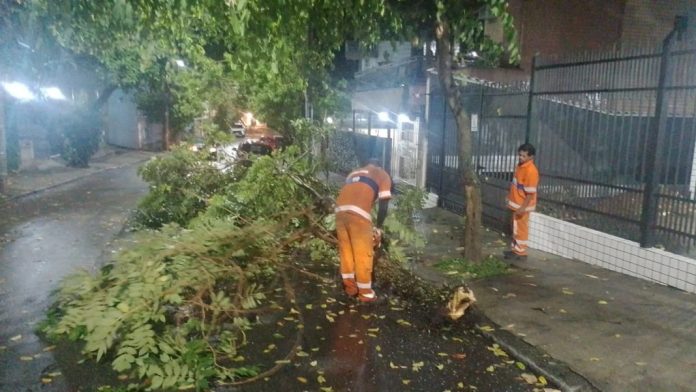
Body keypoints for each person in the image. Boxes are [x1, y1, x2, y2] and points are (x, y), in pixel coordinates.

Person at [335, 158, 392, 302]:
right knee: (363, 255)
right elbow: (384, 204)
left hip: (340, 212)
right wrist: (378, 227)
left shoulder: (353, 173)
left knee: (346, 252)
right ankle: (366, 294)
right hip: (358, 216)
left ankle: (350, 288)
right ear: (380, 165)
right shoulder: (383, 174)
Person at [504, 143, 539, 260]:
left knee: (521, 228)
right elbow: (515, 185)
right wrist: (509, 197)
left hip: (522, 205)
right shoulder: (520, 166)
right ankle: (516, 249)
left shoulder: (531, 171)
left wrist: (523, 208)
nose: (520, 158)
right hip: (517, 203)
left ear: (531, 157)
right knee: (516, 228)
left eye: (523, 156)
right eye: (520, 155)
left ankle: (521, 252)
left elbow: (530, 193)